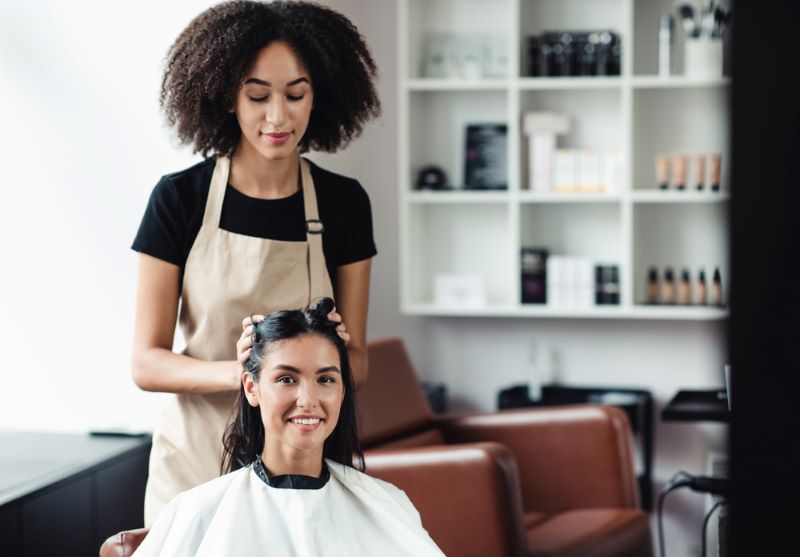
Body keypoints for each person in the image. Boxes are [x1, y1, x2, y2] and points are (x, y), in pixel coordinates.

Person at [131, 0, 380, 526]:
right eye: (257, 95)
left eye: (296, 94)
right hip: (197, 459)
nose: (278, 116)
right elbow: (147, 363)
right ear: (227, 98)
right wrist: (248, 372)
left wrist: (327, 350)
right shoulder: (180, 199)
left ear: (319, 95)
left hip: (304, 464)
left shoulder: (343, 204)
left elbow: (355, 364)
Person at [131, 299, 445, 556]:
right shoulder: (197, 512)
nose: (308, 400)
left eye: (325, 379)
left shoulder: (386, 505)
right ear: (251, 389)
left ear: (342, 390)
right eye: (286, 379)